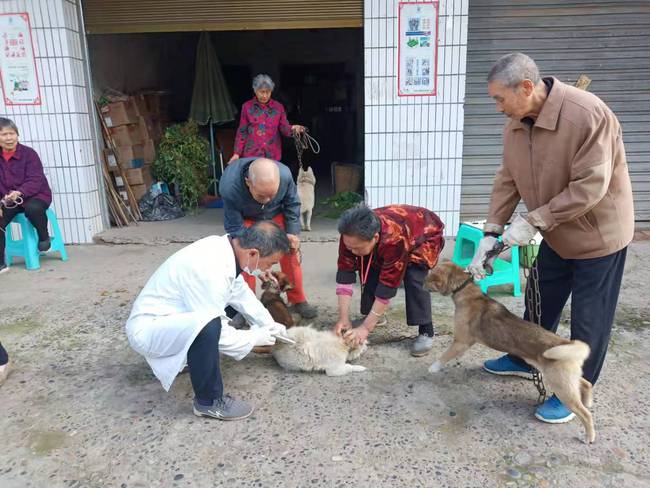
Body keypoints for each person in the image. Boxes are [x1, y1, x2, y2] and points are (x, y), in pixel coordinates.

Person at [467, 53, 634, 424]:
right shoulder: (514, 124)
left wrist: (533, 221)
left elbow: (591, 186)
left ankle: (575, 389)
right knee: (540, 299)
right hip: (554, 232)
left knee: (590, 319)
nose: (497, 108)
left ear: (526, 87)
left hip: (598, 238)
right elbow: (507, 180)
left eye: (499, 98)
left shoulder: (587, 115)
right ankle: (526, 357)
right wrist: (491, 232)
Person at [125, 221, 291, 420]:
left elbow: (240, 293)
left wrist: (269, 324)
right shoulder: (208, 269)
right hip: (149, 331)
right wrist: (257, 336)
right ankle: (209, 401)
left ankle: (189, 360)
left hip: (169, 321)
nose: (267, 269)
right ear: (253, 254)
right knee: (209, 325)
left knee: (211, 319)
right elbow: (220, 336)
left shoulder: (226, 250)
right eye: (270, 263)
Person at [334, 205, 445, 356]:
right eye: (349, 247)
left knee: (414, 275)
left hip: (424, 233)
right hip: (398, 229)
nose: (352, 251)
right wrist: (343, 318)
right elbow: (345, 273)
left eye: (357, 248)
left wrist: (366, 328)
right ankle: (373, 316)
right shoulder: (349, 234)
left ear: (375, 238)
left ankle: (426, 330)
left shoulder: (394, 239)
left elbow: (388, 285)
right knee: (369, 264)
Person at [219, 157, 317, 319]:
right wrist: (256, 266)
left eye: (272, 195)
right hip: (247, 218)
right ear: (248, 182)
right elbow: (236, 229)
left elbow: (292, 204)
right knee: (245, 256)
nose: (267, 200)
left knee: (290, 252)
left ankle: (298, 300)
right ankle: (245, 307)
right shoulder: (230, 186)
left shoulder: (285, 175)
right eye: (262, 196)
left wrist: (292, 233)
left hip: (275, 214)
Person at [0, 117, 53, 274]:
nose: (9, 138)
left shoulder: (29, 154)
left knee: (33, 208)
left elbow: (35, 179)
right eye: (3, 135)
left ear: (17, 135)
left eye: (12, 133)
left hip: (35, 195)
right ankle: (0, 263)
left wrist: (20, 192)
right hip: (8, 200)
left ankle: (44, 236)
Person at [229, 74, 304, 164]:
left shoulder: (278, 107)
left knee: (279, 177)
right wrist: (236, 153)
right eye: (262, 92)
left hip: (272, 155)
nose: (265, 95)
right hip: (252, 155)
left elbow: (284, 128)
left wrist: (293, 128)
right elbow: (242, 131)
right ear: (255, 91)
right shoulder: (247, 107)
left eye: (267, 92)